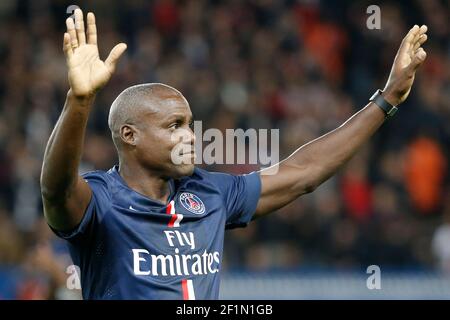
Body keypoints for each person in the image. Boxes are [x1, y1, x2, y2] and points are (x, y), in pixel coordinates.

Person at [40, 8, 428, 299]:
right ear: (130, 135)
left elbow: (304, 172)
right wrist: (80, 99)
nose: (190, 136)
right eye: (174, 126)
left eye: (190, 124)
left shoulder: (209, 193)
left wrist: (387, 98)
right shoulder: (101, 202)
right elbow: (55, 190)